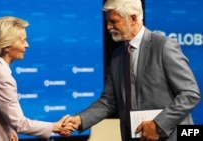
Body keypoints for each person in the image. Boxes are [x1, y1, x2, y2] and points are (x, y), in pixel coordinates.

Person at [62, 0, 201, 141]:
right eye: (107, 21)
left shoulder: (163, 46)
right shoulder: (117, 55)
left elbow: (190, 93)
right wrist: (80, 119)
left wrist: (157, 124)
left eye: (113, 21)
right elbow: (109, 101)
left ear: (133, 18)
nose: (108, 27)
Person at [0, 16, 74, 141]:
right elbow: (20, 123)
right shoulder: (2, 77)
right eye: (23, 41)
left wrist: (9, 131)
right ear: (7, 45)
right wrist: (55, 127)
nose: (27, 45)